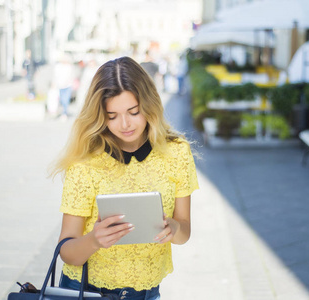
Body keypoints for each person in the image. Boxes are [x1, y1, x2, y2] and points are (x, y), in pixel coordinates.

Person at [50, 56, 199, 300]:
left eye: (133, 111)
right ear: (101, 115)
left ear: (148, 105)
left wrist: (174, 228)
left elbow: (184, 233)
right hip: (86, 292)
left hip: (148, 293)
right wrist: (94, 240)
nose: (125, 124)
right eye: (112, 115)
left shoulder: (177, 152)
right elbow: (66, 250)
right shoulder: (86, 162)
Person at [53, 53, 74, 121]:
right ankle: (63, 112)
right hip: (60, 85)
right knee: (62, 100)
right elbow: (55, 76)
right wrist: (54, 83)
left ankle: (64, 113)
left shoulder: (69, 66)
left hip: (68, 85)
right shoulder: (58, 66)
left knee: (66, 100)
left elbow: (71, 76)